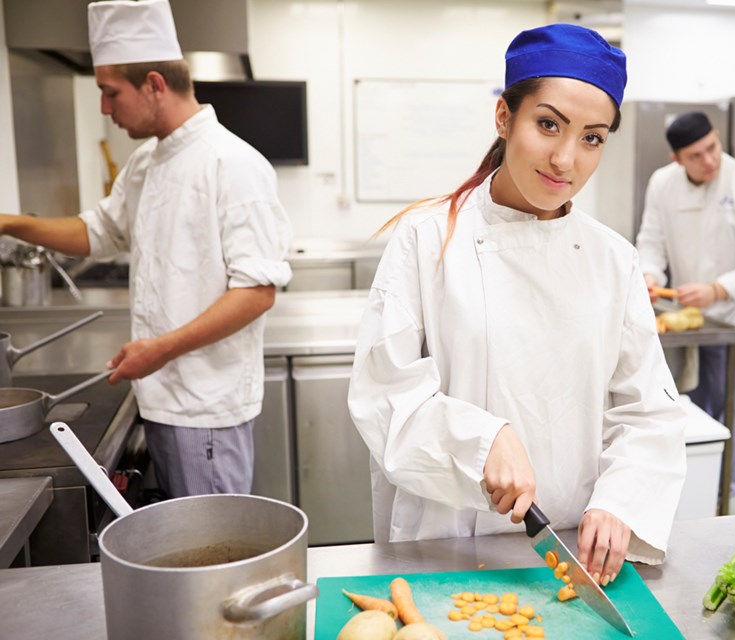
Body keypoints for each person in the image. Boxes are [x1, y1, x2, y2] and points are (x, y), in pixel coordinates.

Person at [348, 23, 686, 585]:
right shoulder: (427, 240)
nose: (565, 159)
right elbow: (384, 396)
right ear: (505, 117)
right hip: (445, 544)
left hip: (570, 554)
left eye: (592, 137)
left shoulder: (613, 261)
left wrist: (621, 500)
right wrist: (482, 441)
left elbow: (647, 410)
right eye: (548, 124)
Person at [0, 0, 292, 498]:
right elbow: (97, 233)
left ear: (154, 84)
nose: (104, 108)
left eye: (110, 93)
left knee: (212, 558)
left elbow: (256, 292)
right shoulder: (145, 163)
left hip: (205, 413)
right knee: (189, 554)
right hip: (159, 399)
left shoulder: (233, 164)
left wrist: (157, 351)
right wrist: (11, 223)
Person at [635, 111, 735, 496]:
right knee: (686, 402)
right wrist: (650, 276)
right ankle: (687, 484)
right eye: (696, 155)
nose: (710, 160)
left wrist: (717, 290)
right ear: (677, 160)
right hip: (690, 316)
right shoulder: (662, 184)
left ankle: (722, 490)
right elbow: (651, 241)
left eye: (713, 148)